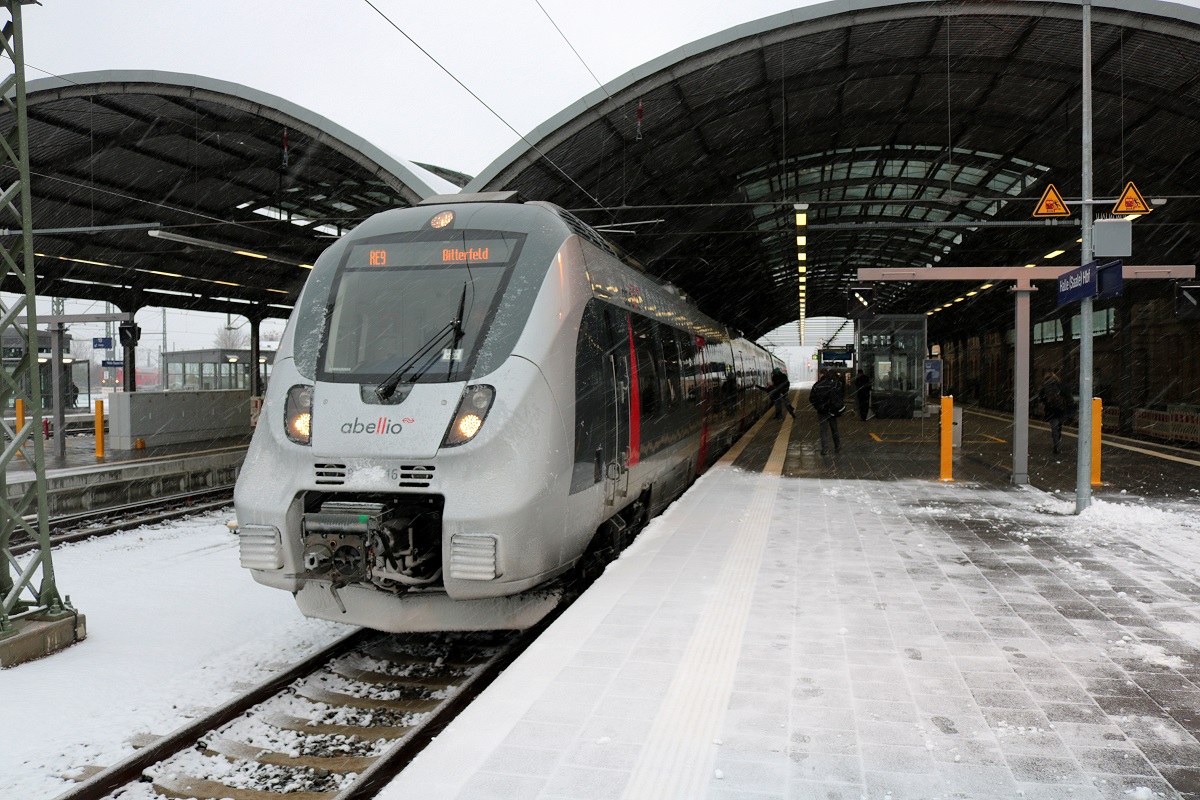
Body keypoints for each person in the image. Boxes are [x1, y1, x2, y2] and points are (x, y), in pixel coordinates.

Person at [809, 369, 845, 455]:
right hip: (832, 411)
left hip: (822, 411)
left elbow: (812, 398)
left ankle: (825, 449)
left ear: (821, 375)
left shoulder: (817, 385)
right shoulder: (833, 384)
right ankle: (837, 446)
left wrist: (818, 406)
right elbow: (839, 396)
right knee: (834, 429)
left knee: (823, 430)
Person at [1038, 370, 1071, 454]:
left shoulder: (1044, 386)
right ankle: (1058, 440)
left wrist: (1047, 403)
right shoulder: (1059, 385)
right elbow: (1067, 395)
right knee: (1059, 426)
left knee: (1054, 427)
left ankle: (1056, 444)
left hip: (1051, 410)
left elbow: (1041, 398)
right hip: (1060, 409)